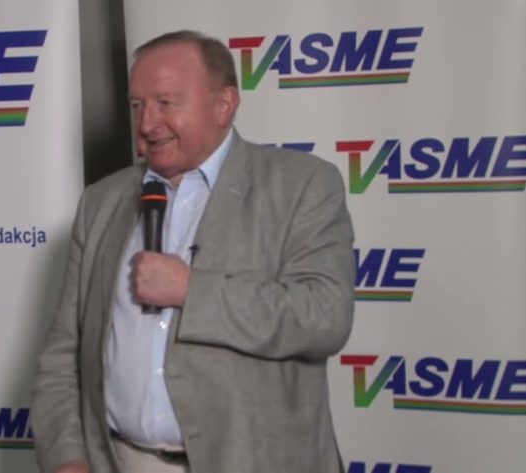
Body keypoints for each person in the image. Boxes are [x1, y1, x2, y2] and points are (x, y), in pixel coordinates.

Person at [32, 30, 354, 473]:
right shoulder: (101, 202)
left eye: (165, 103)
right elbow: (64, 355)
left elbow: (325, 316)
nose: (148, 123)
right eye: (137, 105)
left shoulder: (302, 184)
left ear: (224, 105)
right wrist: (67, 457)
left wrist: (191, 290)